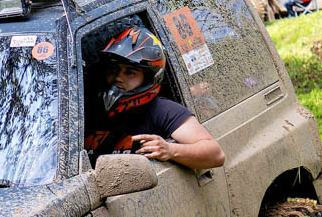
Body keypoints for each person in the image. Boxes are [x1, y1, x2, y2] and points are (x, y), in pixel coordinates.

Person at [85, 26, 224, 169]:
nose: (118, 77)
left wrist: (170, 150)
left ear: (148, 78)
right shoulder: (87, 108)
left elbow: (216, 155)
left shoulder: (162, 110)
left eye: (130, 72)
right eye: (113, 70)